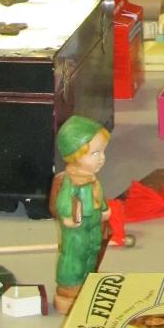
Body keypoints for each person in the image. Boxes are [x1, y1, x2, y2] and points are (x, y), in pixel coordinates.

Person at [50, 115, 111, 316]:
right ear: (75, 155)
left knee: (92, 249)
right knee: (74, 256)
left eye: (102, 151)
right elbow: (63, 201)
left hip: (92, 223)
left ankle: (88, 277)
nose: (102, 157)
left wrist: (103, 209)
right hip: (77, 228)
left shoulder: (92, 179)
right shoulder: (72, 181)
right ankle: (70, 288)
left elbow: (98, 196)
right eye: (95, 153)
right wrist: (67, 215)